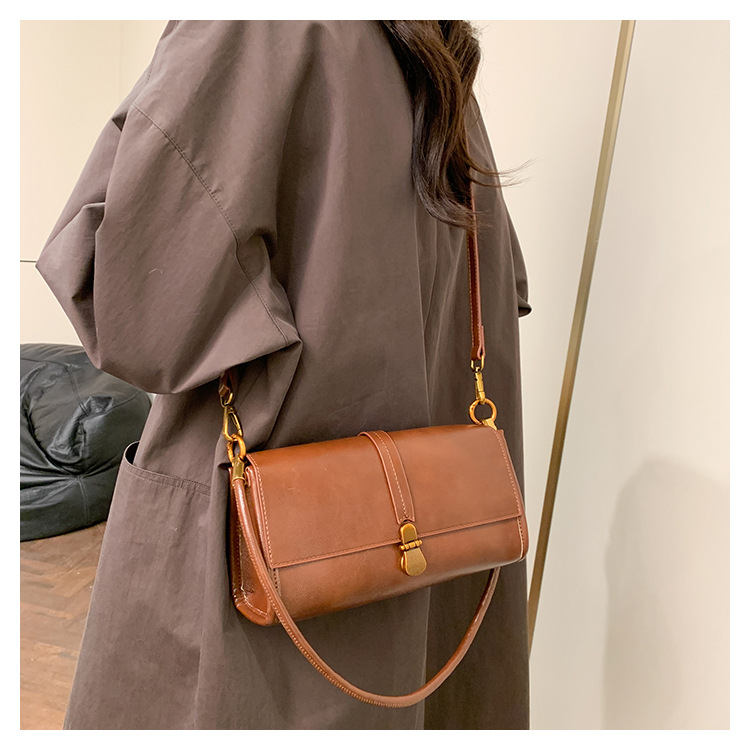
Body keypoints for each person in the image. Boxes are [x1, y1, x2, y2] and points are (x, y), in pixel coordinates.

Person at [36, 20, 532, 730]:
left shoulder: (258, 27)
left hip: (258, 590)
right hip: (430, 593)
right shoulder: (441, 69)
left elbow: (131, 302)